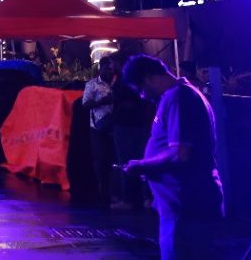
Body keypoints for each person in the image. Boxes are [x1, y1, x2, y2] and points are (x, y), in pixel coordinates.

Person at [121, 55, 225, 260]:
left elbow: (180, 153)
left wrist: (143, 165)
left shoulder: (179, 98)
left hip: (186, 205)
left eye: (140, 88)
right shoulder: (178, 96)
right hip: (181, 205)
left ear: (149, 77)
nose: (142, 96)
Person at [111, 56, 153, 210]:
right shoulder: (139, 81)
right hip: (140, 123)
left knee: (126, 161)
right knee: (144, 158)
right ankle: (146, 197)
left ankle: (129, 199)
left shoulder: (123, 81)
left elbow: (119, 101)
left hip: (125, 124)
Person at [82, 56, 116, 206]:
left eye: (111, 69)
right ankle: (102, 190)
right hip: (98, 126)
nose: (110, 72)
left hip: (116, 126)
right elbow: (85, 104)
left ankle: (114, 191)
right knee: (101, 159)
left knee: (114, 159)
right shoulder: (92, 84)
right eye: (107, 69)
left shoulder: (117, 83)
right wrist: (103, 101)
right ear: (100, 69)